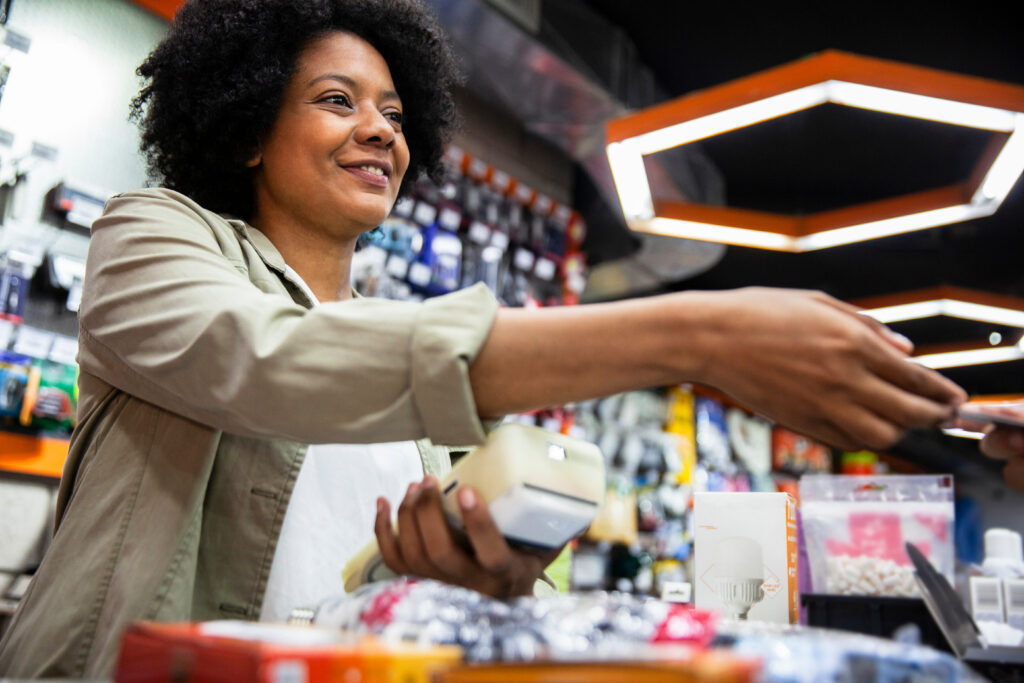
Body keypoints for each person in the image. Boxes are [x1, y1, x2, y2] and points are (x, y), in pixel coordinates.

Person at [0, 0, 966, 678]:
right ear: (248, 127)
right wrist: (693, 332)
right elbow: (264, 358)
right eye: (339, 100)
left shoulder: (395, 338)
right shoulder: (150, 236)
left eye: (394, 112)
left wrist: (489, 575)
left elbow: (404, 568)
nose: (382, 131)